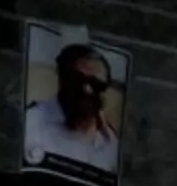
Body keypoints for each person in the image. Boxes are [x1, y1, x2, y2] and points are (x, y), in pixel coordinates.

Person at [23, 41, 121, 173]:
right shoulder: (32, 121)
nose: (86, 89)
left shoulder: (109, 142)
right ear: (62, 76)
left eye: (96, 84)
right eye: (77, 79)